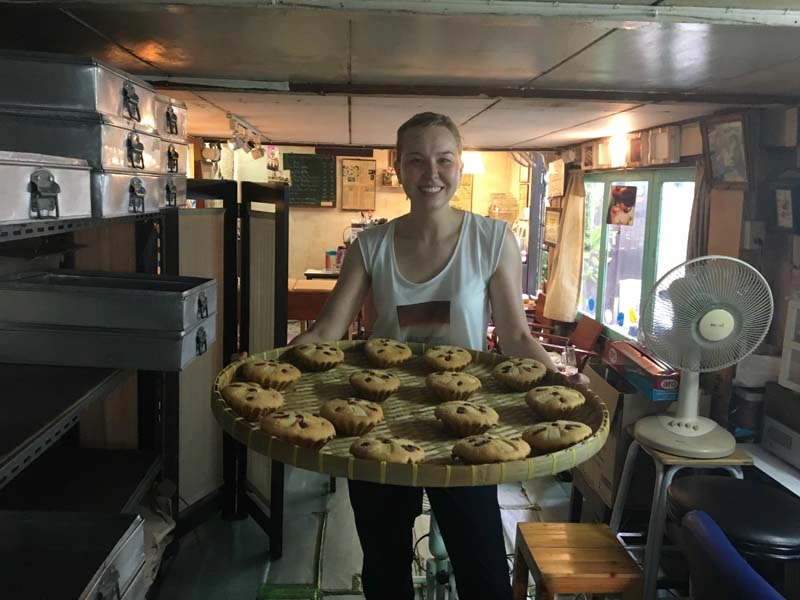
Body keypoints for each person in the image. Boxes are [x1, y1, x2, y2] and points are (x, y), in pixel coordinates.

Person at [291, 112, 562, 600]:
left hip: (467, 423)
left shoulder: (493, 241)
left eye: (444, 160)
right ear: (398, 168)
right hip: (383, 420)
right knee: (384, 563)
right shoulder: (371, 245)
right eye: (416, 161)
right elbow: (329, 329)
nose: (431, 174)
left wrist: (560, 379)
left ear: (460, 167)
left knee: (482, 566)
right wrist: (276, 364)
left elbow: (517, 338)